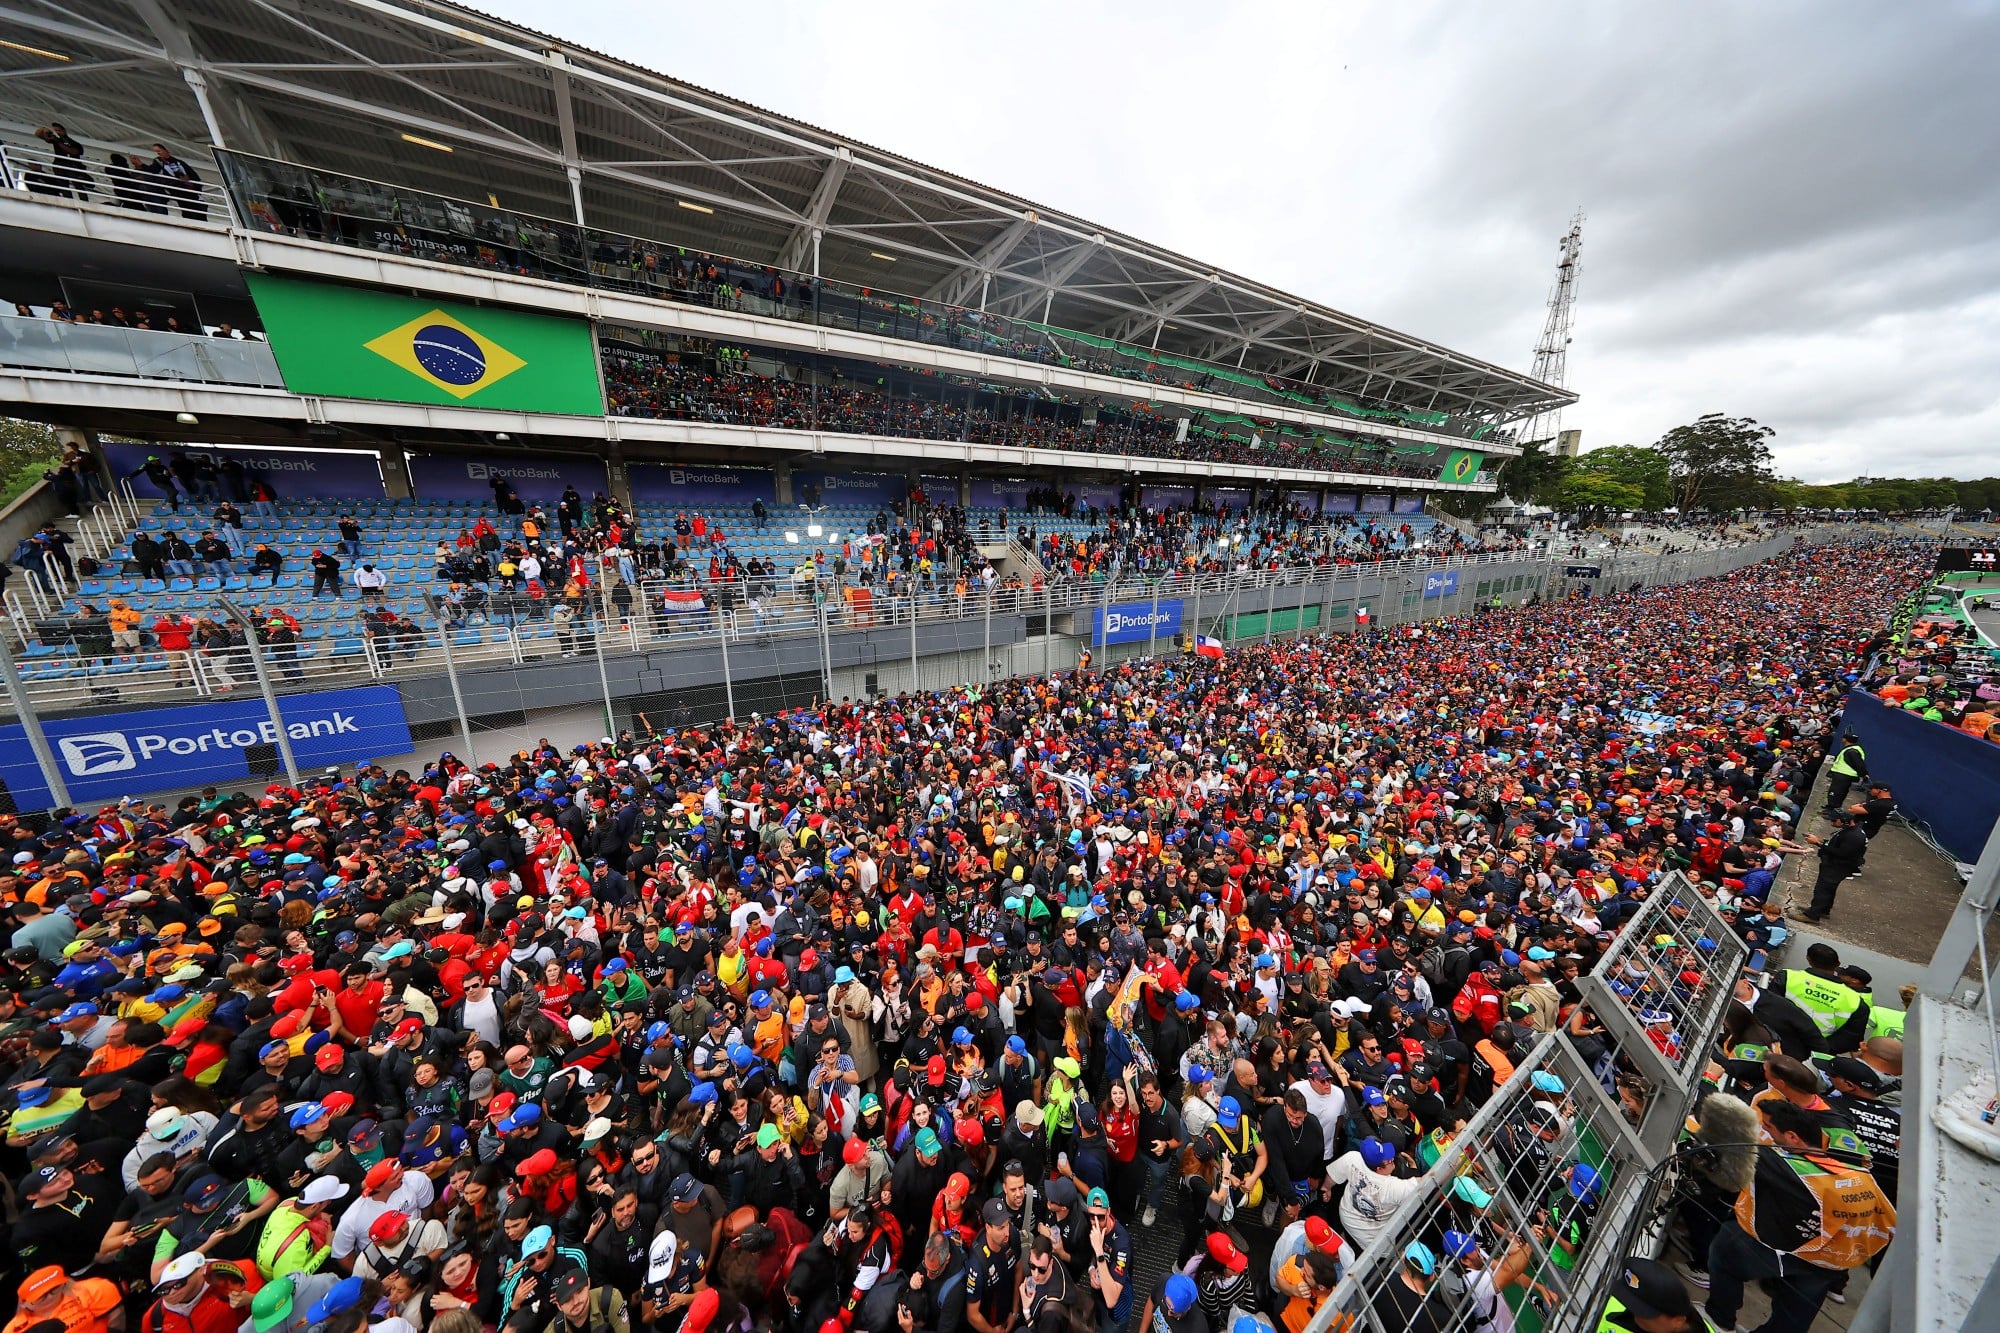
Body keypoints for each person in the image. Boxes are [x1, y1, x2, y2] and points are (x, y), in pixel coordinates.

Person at [1792, 810, 1869, 924]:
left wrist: (1818, 844)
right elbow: (1839, 844)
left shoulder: (1854, 836)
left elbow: (1841, 853)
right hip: (1836, 865)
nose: (1832, 822)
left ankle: (1812, 915)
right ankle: (1823, 909)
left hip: (1838, 866)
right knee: (1829, 889)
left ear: (1845, 821)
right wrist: (1820, 840)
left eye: (1834, 820)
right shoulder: (1850, 830)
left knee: (1823, 890)